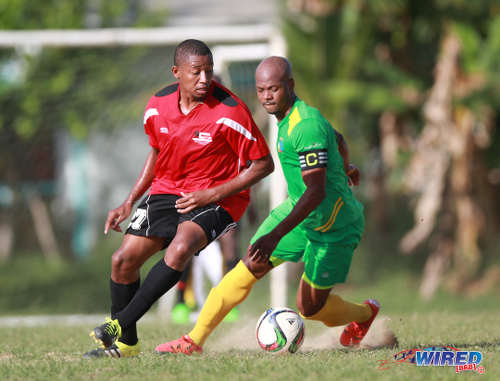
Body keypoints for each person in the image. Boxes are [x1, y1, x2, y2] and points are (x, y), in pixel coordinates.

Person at [154, 56, 379, 355]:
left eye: (274, 89)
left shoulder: (305, 125)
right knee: (247, 266)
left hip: (334, 225)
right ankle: (192, 341)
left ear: (290, 85)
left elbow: (316, 192)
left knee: (310, 309)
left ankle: (365, 315)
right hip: (300, 212)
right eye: (261, 90)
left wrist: (274, 235)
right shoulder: (288, 120)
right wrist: (346, 166)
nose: (267, 96)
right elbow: (336, 138)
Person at [84, 39, 273, 358]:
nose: (204, 79)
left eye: (209, 72)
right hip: (167, 191)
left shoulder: (231, 110)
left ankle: (117, 326)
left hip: (218, 198)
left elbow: (263, 164)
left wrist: (211, 193)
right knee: (122, 261)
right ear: (176, 73)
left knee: (182, 245)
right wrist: (129, 200)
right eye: (197, 72)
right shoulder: (157, 106)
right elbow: (157, 153)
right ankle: (127, 344)